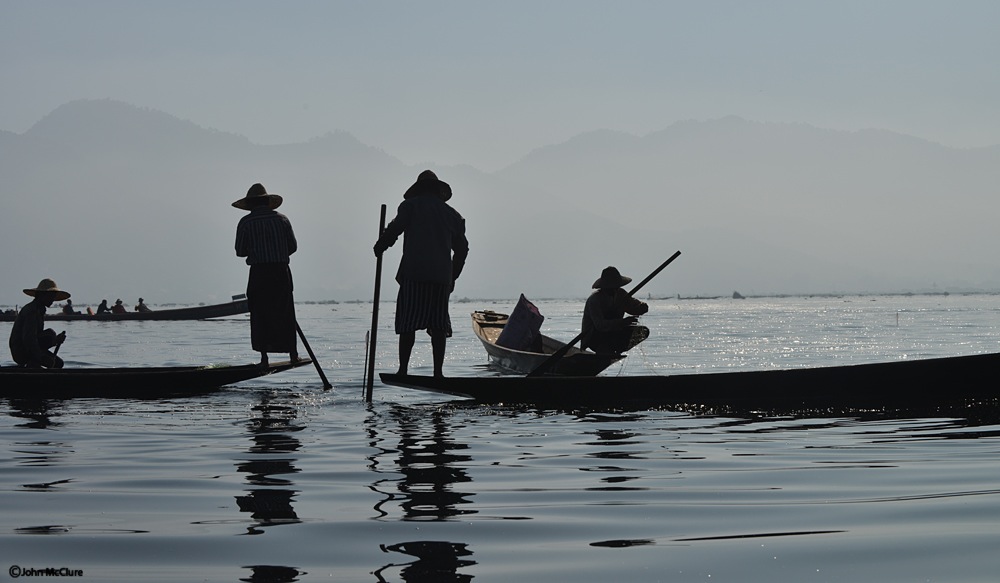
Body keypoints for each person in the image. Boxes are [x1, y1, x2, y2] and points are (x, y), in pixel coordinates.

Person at [374, 170, 469, 377]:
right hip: (440, 277)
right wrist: (452, 276)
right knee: (438, 325)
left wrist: (381, 245)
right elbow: (462, 250)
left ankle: (403, 370)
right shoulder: (452, 215)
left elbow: (394, 229)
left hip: (414, 274)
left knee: (408, 323)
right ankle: (438, 373)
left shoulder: (410, 206)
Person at [234, 182, 299, 366]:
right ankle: (293, 354)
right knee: (285, 312)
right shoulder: (282, 219)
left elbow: (240, 251)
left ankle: (264, 358)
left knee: (260, 314)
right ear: (266, 201)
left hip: (259, 274)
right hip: (280, 272)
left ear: (251, 204)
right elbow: (292, 247)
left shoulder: (246, 222)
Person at [580, 266, 650, 355]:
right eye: (610, 287)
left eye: (615, 287)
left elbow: (633, 306)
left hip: (613, 333)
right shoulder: (595, 300)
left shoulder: (620, 294)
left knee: (642, 332)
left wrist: (642, 307)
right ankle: (605, 349)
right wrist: (623, 322)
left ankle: (616, 349)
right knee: (603, 337)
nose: (614, 290)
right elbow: (600, 325)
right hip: (594, 337)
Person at [9, 279, 69, 368]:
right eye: (51, 296)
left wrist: (56, 341)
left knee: (58, 363)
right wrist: (41, 357)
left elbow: (38, 338)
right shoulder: (31, 311)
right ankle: (32, 363)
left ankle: (34, 363)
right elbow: (29, 339)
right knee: (50, 334)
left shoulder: (39, 310)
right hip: (21, 351)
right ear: (42, 295)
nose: (53, 300)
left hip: (29, 348)